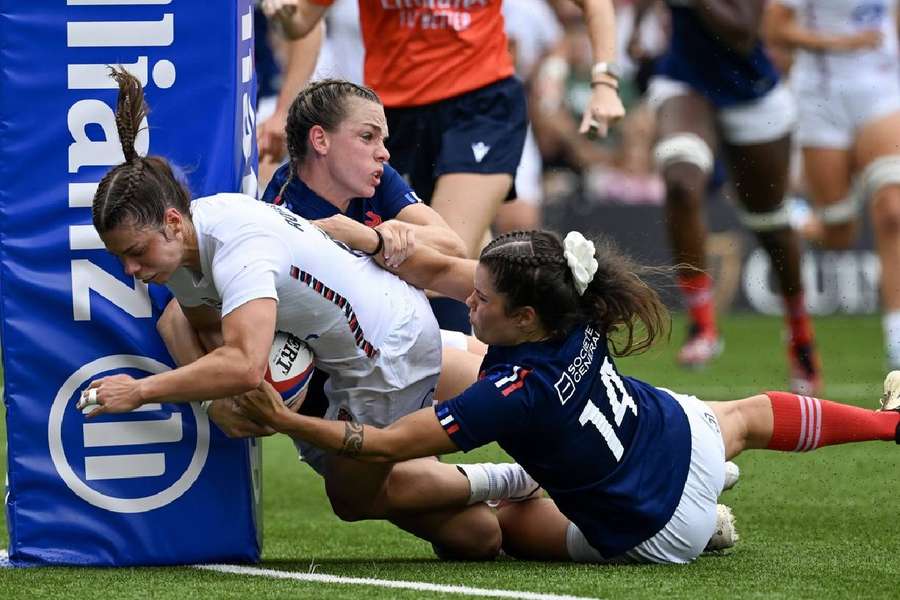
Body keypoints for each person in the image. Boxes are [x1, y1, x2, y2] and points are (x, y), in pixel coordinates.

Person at [79, 68, 541, 560]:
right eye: (368, 136)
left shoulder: (240, 242)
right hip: (358, 350)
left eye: (135, 253)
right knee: (478, 538)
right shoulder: (181, 246)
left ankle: (520, 476)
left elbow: (243, 362)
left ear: (173, 221)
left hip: (385, 352)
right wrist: (232, 401)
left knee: (352, 497)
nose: (131, 268)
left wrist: (142, 391)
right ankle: (508, 482)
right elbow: (201, 327)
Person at [237, 228, 900, 564]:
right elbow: (438, 269)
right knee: (753, 414)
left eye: (482, 298)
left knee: (505, 528)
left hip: (653, 527)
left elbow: (379, 445)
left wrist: (285, 418)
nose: (468, 299)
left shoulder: (511, 393)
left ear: (524, 318)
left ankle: (530, 483)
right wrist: (331, 240)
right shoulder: (570, 303)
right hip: (679, 437)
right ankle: (887, 424)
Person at [262, 0, 625, 333]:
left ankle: (552, 330)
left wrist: (605, 83)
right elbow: (302, 21)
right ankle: (551, 330)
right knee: (462, 262)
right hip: (396, 114)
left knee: (436, 264)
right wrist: (282, 11)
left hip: (480, 106)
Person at [631, 0, 821, 393]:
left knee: (770, 223)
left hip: (750, 89)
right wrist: (638, 28)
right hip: (686, 82)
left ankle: (800, 334)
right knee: (681, 182)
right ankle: (702, 323)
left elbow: (743, 33)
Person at [764, 0, 900, 369]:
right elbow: (774, 30)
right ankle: (798, 221)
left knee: (893, 210)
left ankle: (896, 340)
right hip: (821, 99)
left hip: (883, 93)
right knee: (840, 232)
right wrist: (844, 42)